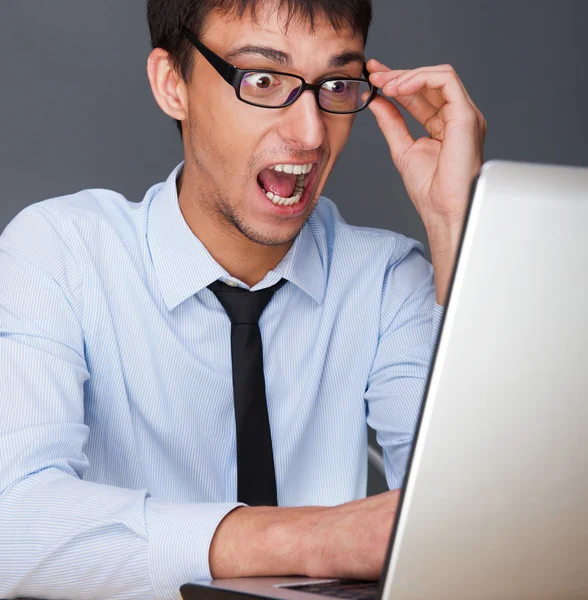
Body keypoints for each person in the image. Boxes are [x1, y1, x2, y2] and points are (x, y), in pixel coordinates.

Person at [0, 0, 486, 598]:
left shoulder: (389, 280)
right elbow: (13, 523)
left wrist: (457, 227)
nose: (311, 134)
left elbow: (487, 532)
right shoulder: (60, 253)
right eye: (262, 79)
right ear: (172, 83)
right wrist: (314, 539)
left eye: (335, 84)